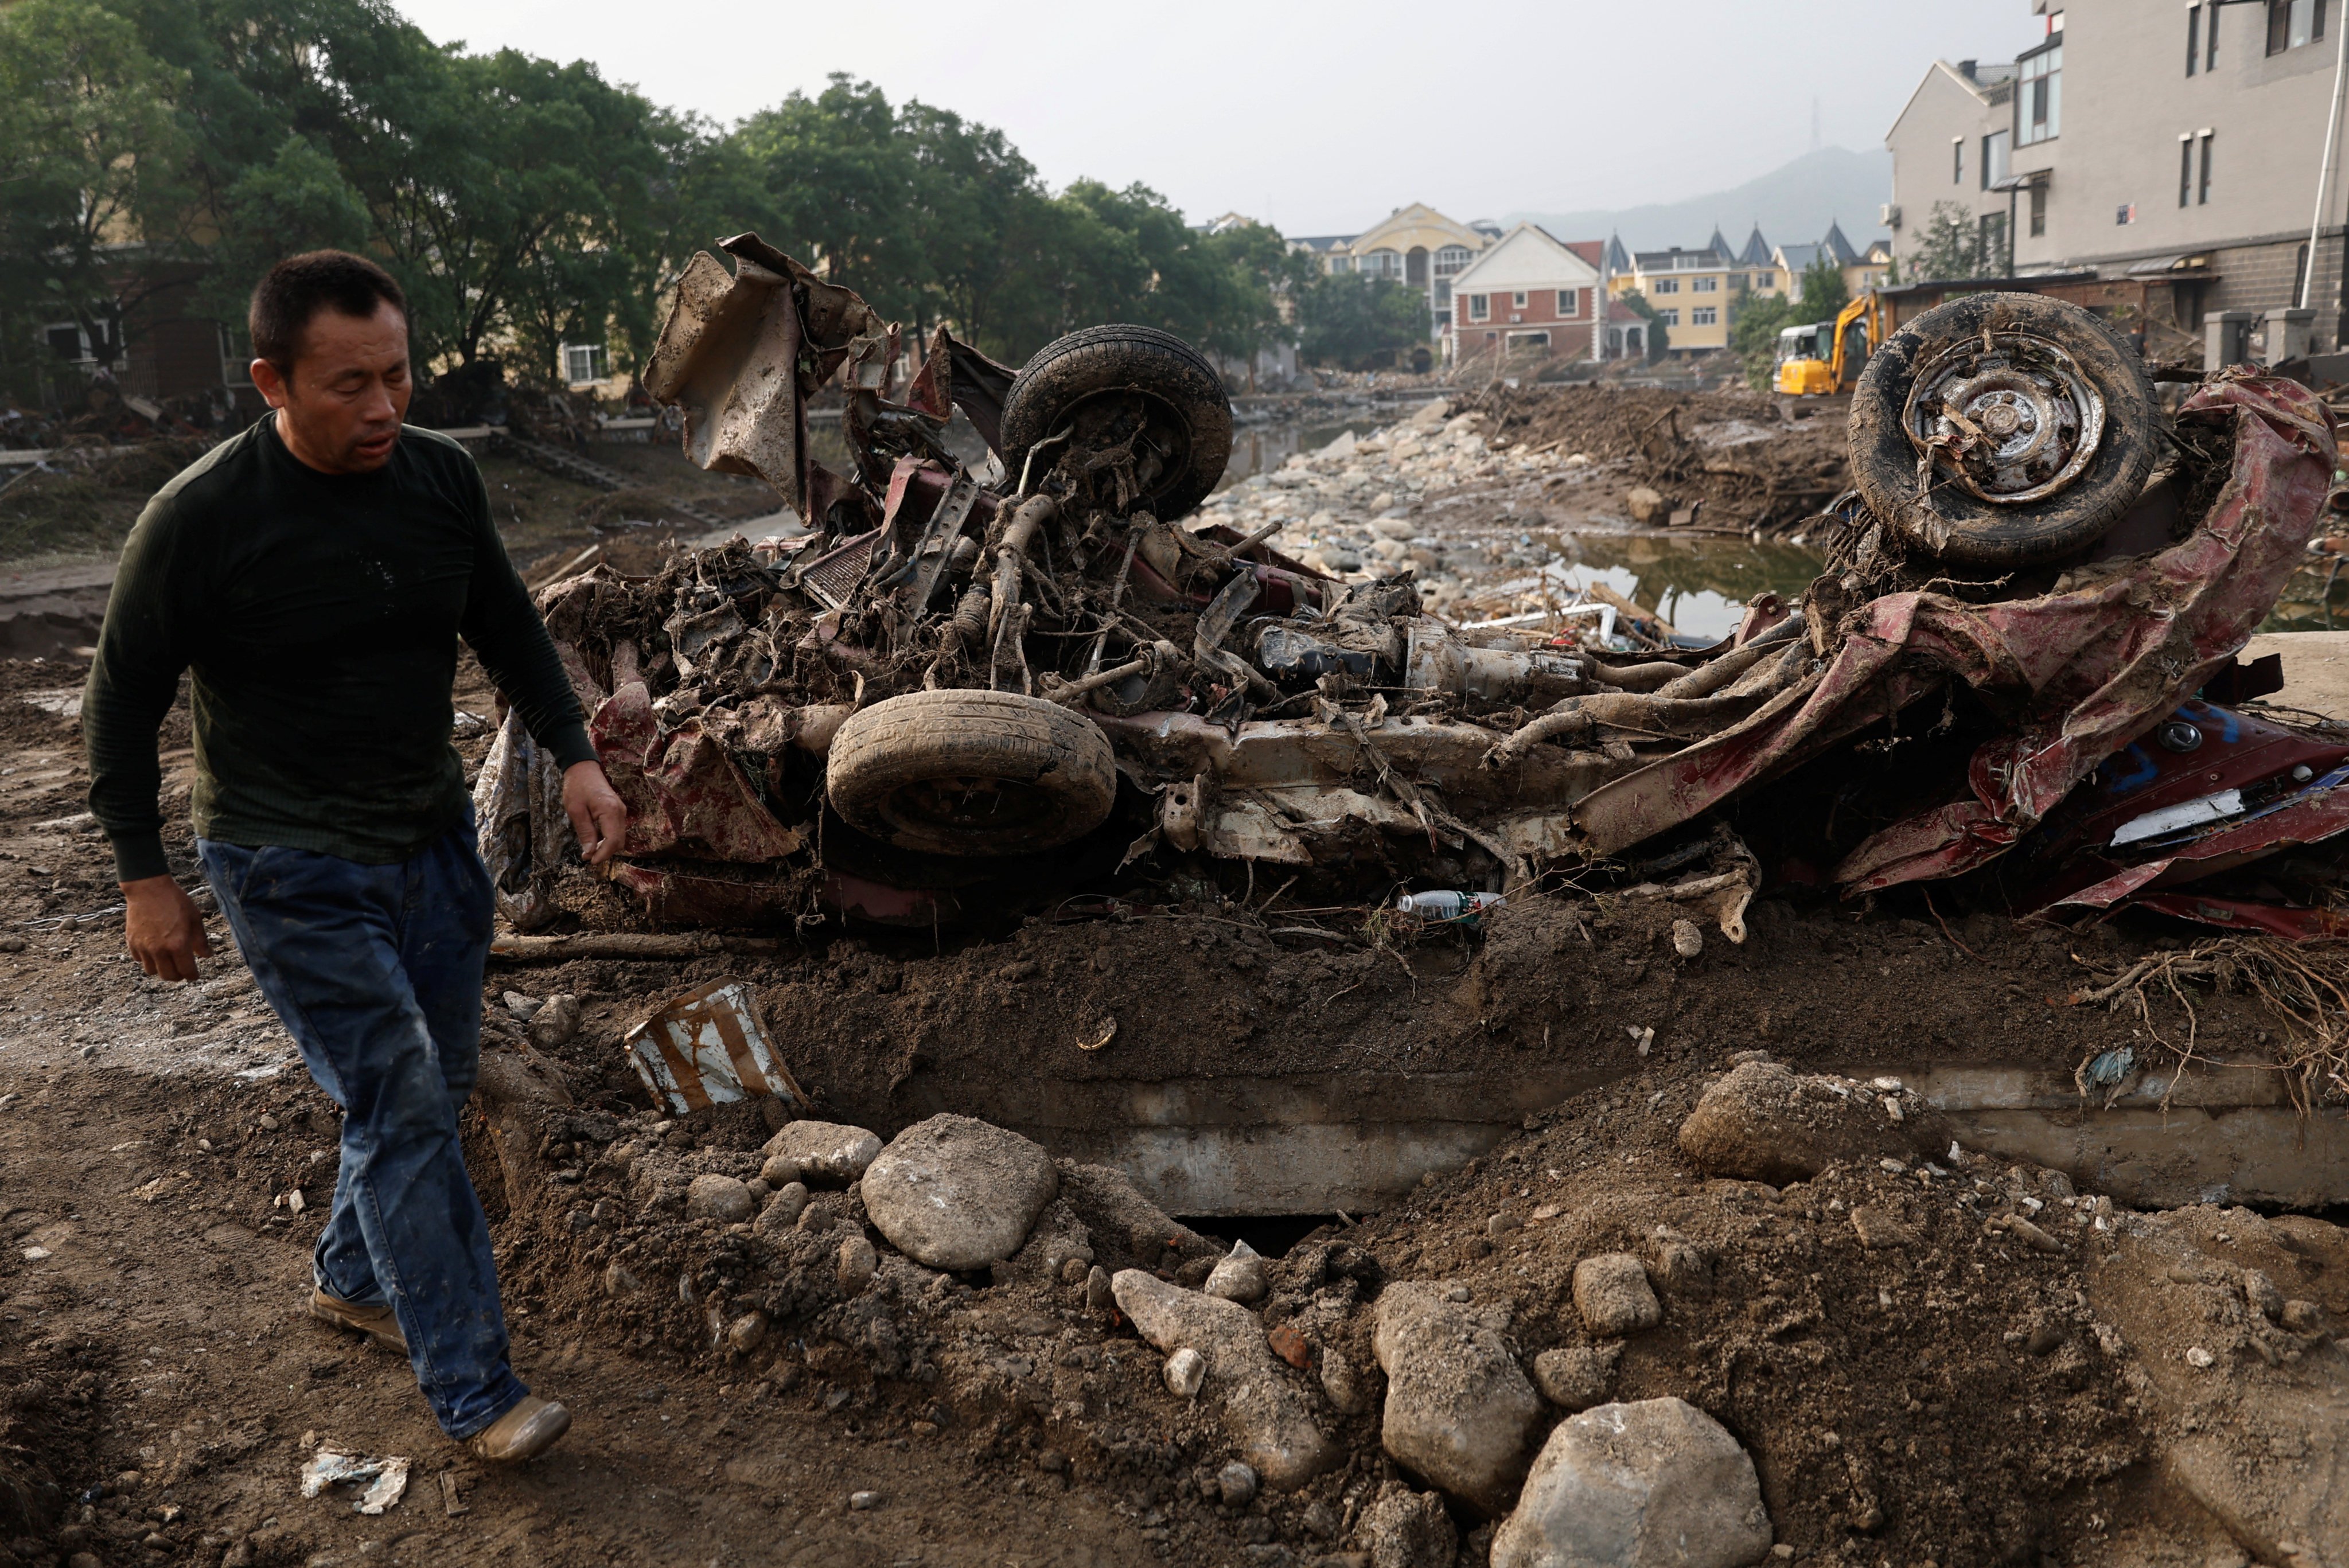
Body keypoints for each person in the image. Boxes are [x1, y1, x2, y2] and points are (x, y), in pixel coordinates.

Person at [81, 250, 627, 1463]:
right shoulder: (202, 516)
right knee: (404, 1098)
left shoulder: (438, 478)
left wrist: (576, 753)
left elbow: (505, 623)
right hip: (284, 856)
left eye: (398, 375)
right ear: (272, 381)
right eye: (349, 384)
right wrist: (143, 875)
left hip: (428, 836)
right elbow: (118, 706)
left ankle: (349, 1276)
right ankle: (477, 1390)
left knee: (426, 1075)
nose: (384, 406)